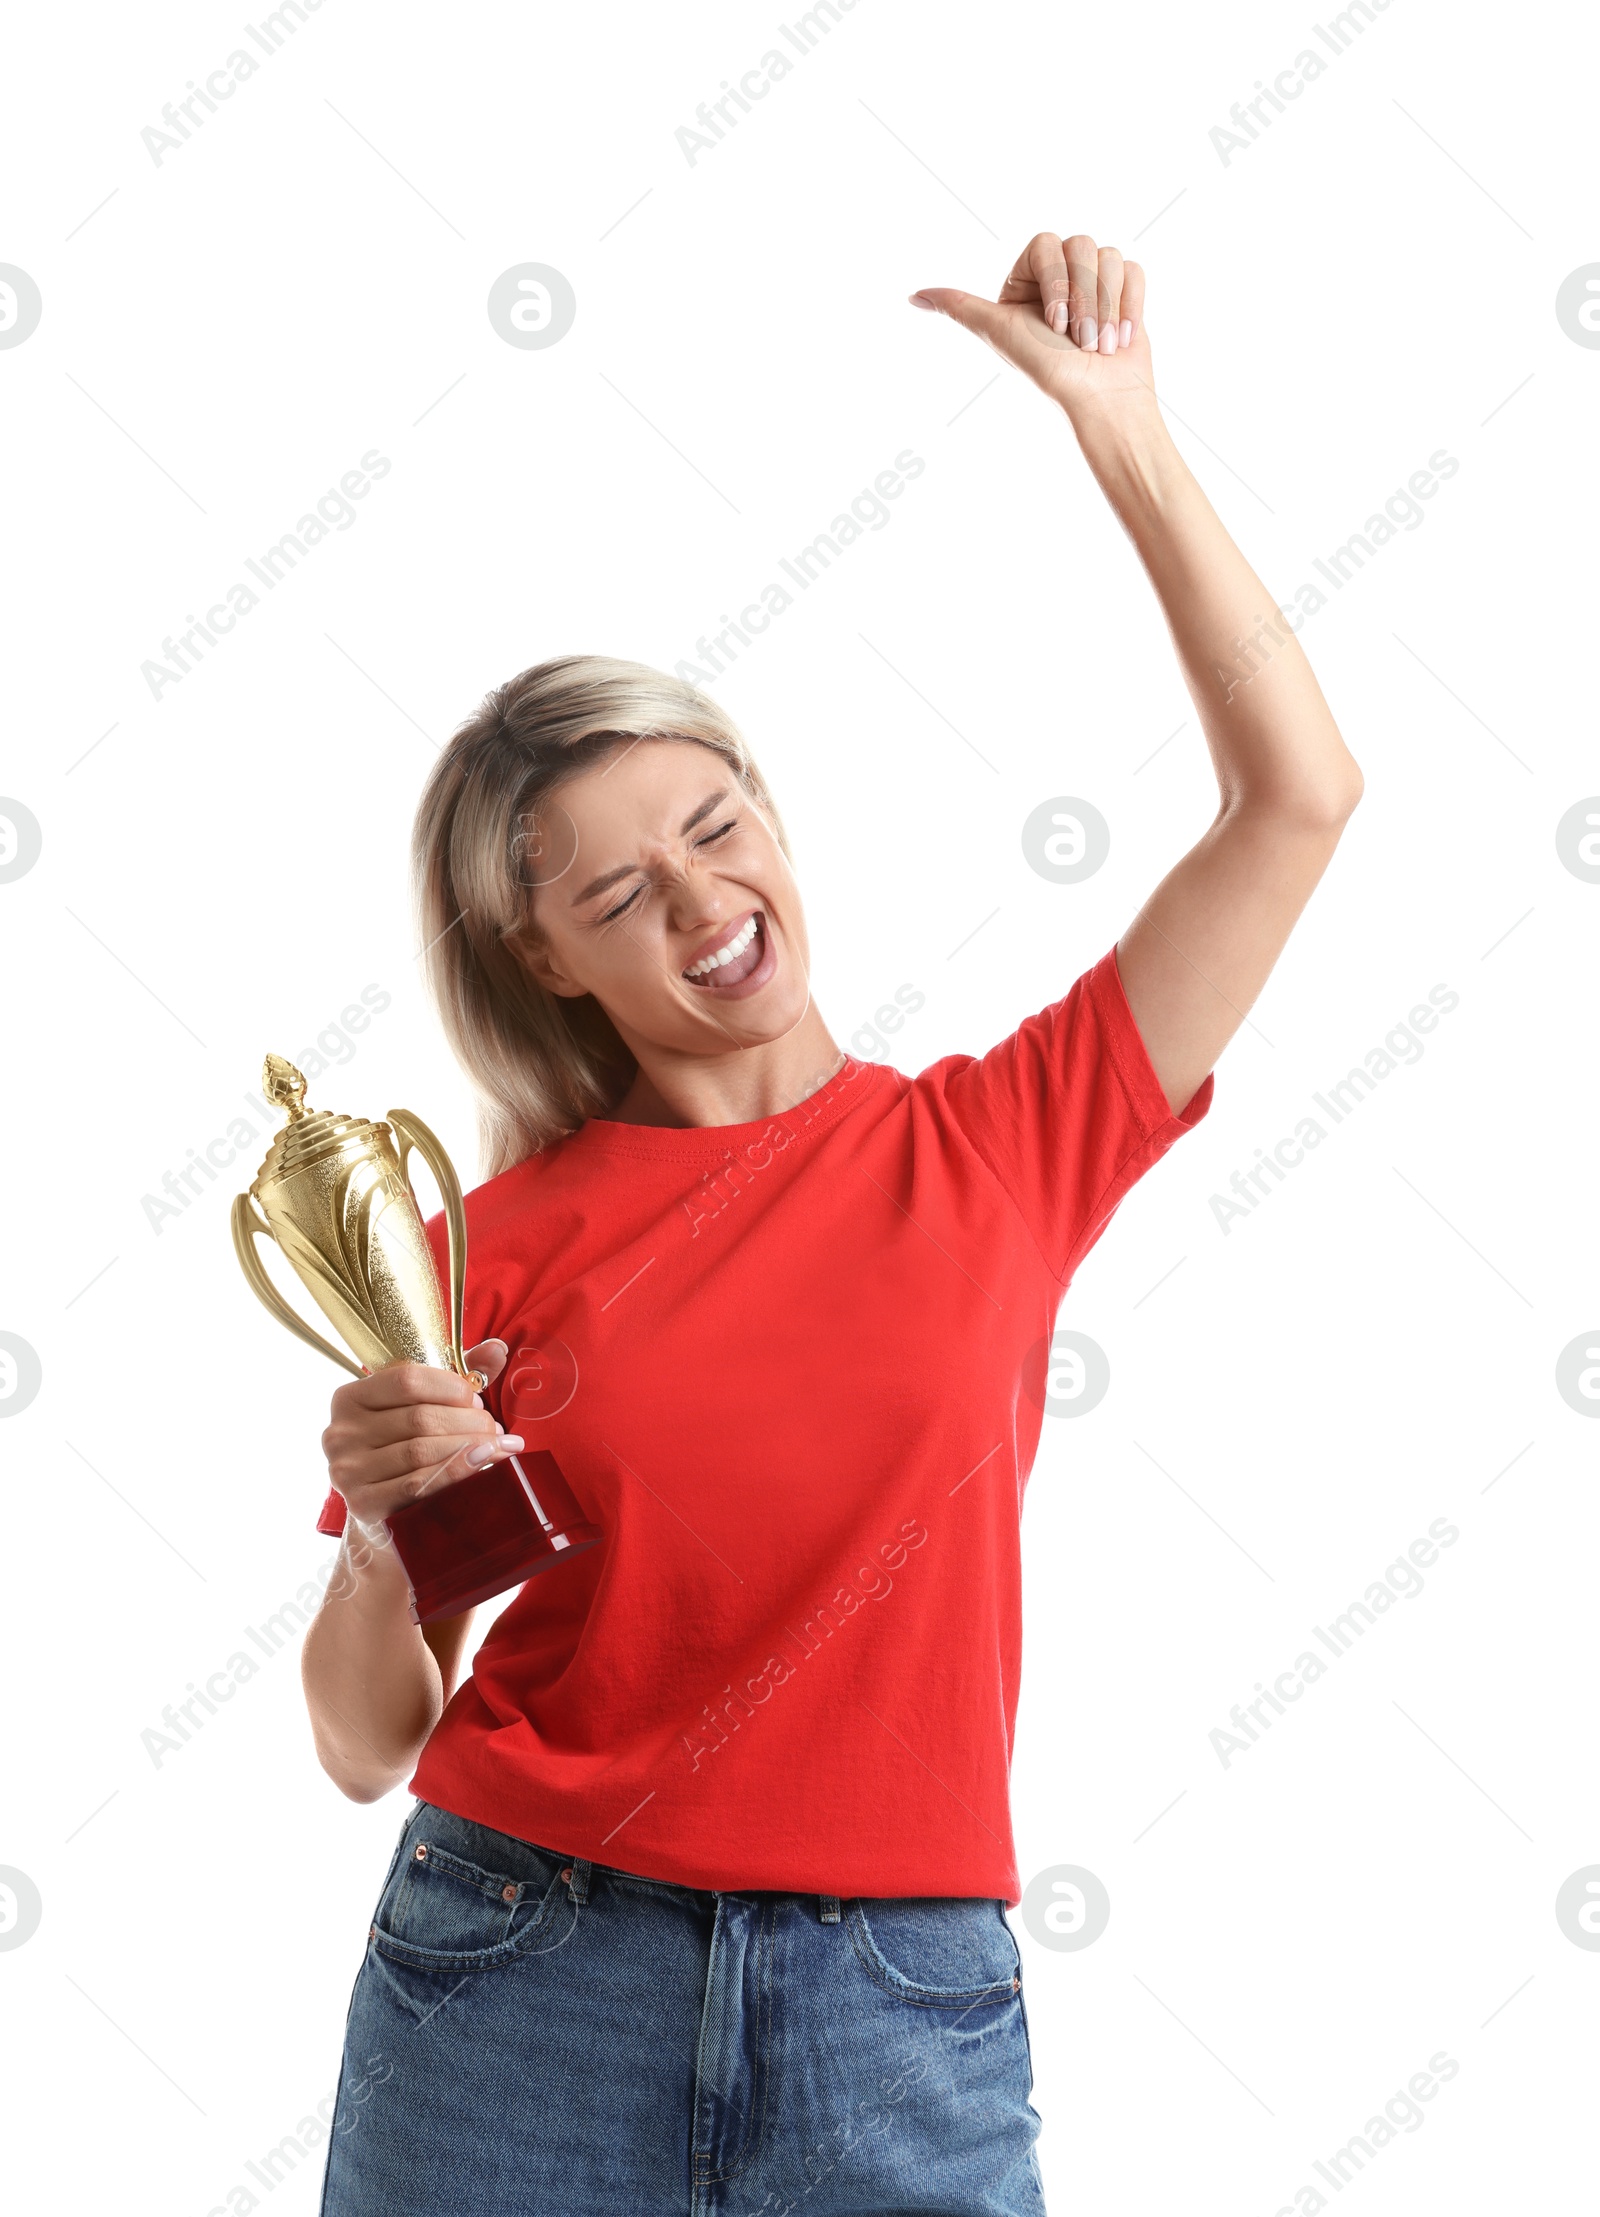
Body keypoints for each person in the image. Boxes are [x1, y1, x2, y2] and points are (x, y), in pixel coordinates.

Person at [304, 230, 1362, 2217]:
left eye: (713, 824)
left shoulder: (1001, 1140)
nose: (699, 899)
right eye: (616, 895)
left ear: (770, 820)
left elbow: (1294, 797)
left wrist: (1119, 433)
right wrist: (378, 1540)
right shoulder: (491, 1248)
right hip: (516, 1970)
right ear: (542, 963)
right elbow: (371, 1738)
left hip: (899, 2001)